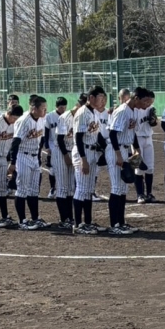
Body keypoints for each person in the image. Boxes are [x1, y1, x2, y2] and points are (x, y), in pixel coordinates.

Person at [106, 87, 154, 234]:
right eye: (144, 101)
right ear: (136, 98)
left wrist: (137, 150)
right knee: (116, 188)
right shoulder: (122, 111)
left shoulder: (133, 111)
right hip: (116, 150)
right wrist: (118, 155)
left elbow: (132, 134)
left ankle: (121, 223)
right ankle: (114, 225)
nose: (146, 104)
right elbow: (113, 134)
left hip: (126, 150)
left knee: (123, 188)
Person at [8, 95, 47, 230]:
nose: (45, 111)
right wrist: (13, 162)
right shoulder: (24, 120)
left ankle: (35, 218)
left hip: (35, 157)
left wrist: (39, 156)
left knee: (34, 190)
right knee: (22, 190)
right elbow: (15, 142)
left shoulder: (41, 119)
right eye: (43, 108)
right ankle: (22, 221)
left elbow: (41, 139)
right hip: (23, 157)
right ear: (34, 108)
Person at [72, 87, 108, 234]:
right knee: (81, 190)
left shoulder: (95, 112)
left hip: (93, 152)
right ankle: (77, 225)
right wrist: (83, 159)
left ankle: (87, 222)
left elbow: (98, 134)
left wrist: (107, 149)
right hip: (83, 153)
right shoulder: (82, 113)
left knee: (88, 190)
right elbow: (78, 138)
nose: (102, 100)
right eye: (100, 97)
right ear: (91, 97)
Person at [52, 95, 84, 227]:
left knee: (71, 188)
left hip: (72, 151)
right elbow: (60, 139)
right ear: (79, 105)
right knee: (62, 188)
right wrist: (66, 156)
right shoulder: (64, 117)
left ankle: (70, 218)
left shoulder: (81, 116)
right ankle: (63, 219)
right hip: (61, 152)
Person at [133, 98, 158, 203]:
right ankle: (140, 194)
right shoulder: (135, 109)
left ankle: (149, 193)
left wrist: (153, 121)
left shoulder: (151, 108)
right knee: (138, 168)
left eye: (151, 102)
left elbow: (154, 123)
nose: (149, 103)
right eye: (147, 101)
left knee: (150, 168)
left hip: (148, 138)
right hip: (136, 139)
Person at [43, 97, 68, 199]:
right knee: (52, 169)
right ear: (56, 107)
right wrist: (47, 146)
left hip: (65, 144)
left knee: (66, 167)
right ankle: (53, 188)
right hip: (53, 144)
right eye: (61, 107)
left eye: (64, 107)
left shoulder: (67, 115)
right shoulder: (50, 116)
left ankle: (65, 188)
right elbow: (46, 132)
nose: (63, 109)